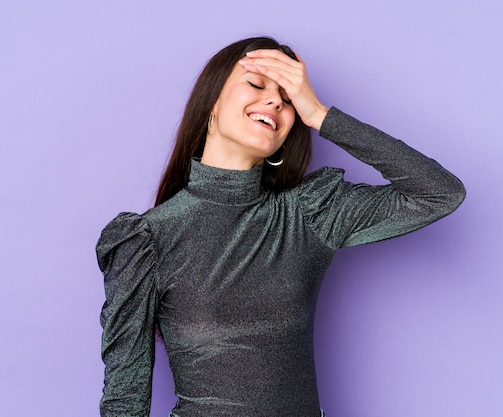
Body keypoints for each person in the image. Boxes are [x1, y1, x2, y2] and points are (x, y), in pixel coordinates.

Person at [96, 36, 466, 417]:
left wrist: (321, 114)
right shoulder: (146, 241)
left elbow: (440, 194)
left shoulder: (310, 213)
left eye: (288, 97)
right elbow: (125, 400)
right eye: (256, 85)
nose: (275, 101)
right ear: (212, 104)